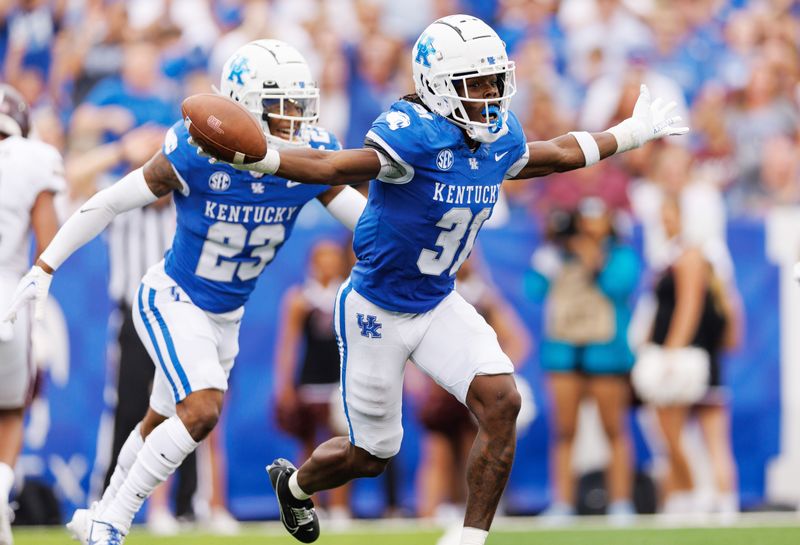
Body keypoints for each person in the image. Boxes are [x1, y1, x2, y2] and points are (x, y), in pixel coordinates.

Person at [196, 14, 689, 545]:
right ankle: (295, 486)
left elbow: (555, 154)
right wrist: (267, 158)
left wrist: (630, 133)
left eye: (495, 81)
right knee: (371, 455)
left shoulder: (498, 137)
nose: (490, 95)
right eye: (475, 84)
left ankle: (469, 537)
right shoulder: (412, 133)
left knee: (503, 400)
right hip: (375, 309)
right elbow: (336, 167)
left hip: (436, 303)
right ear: (437, 86)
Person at [1, 39, 367, 545]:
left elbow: (364, 224)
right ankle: (114, 523)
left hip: (226, 316)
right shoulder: (197, 150)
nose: (295, 120)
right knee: (201, 408)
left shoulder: (309, 154)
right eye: (282, 107)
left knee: (158, 419)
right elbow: (109, 203)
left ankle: (97, 513)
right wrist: (45, 265)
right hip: (174, 297)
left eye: (300, 106)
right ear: (243, 108)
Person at [526, 198, 640, 523]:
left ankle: (621, 502)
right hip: (563, 350)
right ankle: (562, 502)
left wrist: (594, 261)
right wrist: (548, 253)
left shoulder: (619, 254)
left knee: (614, 429)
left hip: (606, 352)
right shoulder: (556, 254)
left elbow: (620, 286)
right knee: (564, 431)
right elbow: (533, 289)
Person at [644, 196, 739, 515]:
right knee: (704, 437)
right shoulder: (687, 258)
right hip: (702, 357)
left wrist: (671, 352)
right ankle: (710, 502)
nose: (664, 222)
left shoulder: (689, 257)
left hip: (686, 360)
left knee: (674, 435)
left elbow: (688, 307)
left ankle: (695, 496)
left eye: (669, 215)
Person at [0, 84, 64, 545]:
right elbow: (48, 245)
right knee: (9, 410)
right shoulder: (33, 158)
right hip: (6, 300)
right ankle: (0, 495)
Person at [273, 239, 352, 521]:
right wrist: (284, 385)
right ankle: (311, 507)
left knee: (343, 447)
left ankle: (341, 508)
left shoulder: (349, 295)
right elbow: (289, 344)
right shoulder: (301, 299)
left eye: (333, 257)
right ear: (312, 262)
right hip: (310, 382)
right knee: (309, 448)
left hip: (340, 383)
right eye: (322, 257)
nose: (329, 264)